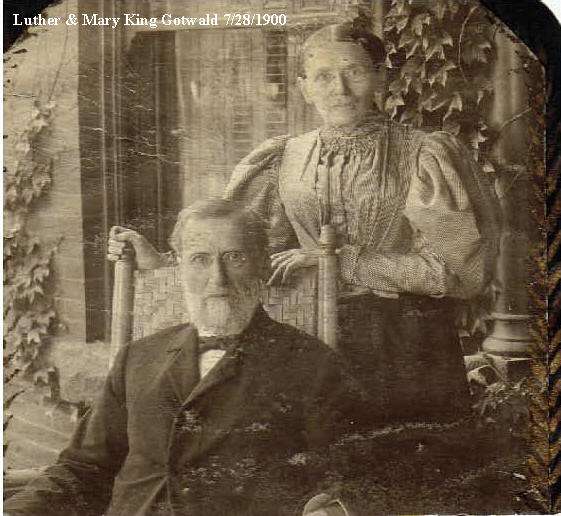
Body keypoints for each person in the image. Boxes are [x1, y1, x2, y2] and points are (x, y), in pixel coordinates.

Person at [108, 21, 500, 425]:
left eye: (354, 72)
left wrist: (341, 261)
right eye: (323, 77)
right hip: (306, 337)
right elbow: (248, 258)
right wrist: (160, 265)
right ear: (304, 87)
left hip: (404, 344)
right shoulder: (284, 158)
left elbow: (461, 274)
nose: (340, 89)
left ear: (380, 77)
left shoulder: (424, 154)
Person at [5, 200, 370, 516]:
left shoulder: (313, 364)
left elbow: (355, 476)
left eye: (235, 257)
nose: (217, 279)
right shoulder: (138, 358)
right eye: (200, 260)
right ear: (179, 268)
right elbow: (81, 470)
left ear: (262, 265)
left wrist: (332, 508)